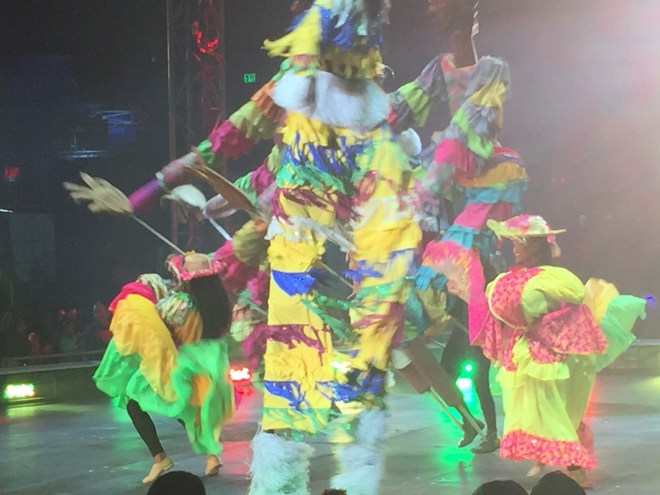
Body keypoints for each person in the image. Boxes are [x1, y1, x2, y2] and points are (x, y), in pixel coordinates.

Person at [390, 0, 523, 454]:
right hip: (450, 263)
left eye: (438, 4)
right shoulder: (440, 70)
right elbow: (400, 109)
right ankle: (471, 421)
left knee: (484, 367)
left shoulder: (479, 96)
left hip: (472, 251)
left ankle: (493, 429)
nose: (429, 9)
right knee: (420, 344)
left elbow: (466, 126)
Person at [473, 214, 646, 487]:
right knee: (532, 408)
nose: (514, 247)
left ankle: (575, 467)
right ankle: (545, 455)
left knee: (557, 409)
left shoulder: (555, 278)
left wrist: (542, 326)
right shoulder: (508, 280)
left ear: (537, 245)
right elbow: (502, 311)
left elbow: (572, 303)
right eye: (513, 242)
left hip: (554, 354)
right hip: (524, 354)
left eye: (520, 242)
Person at [93, 254, 234, 484]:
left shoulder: (180, 304)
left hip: (183, 364)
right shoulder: (219, 304)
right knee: (184, 408)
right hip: (209, 363)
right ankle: (211, 455)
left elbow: (155, 322)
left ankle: (159, 457)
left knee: (133, 398)